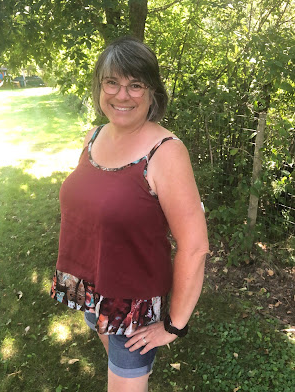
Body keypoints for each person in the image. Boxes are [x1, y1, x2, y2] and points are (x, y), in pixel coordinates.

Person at [50, 36, 209, 392]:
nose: (122, 95)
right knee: (112, 359)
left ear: (153, 91)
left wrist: (174, 324)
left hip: (131, 307)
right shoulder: (95, 136)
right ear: (99, 87)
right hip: (92, 288)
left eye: (135, 85)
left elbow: (195, 246)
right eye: (112, 82)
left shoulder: (165, 152)